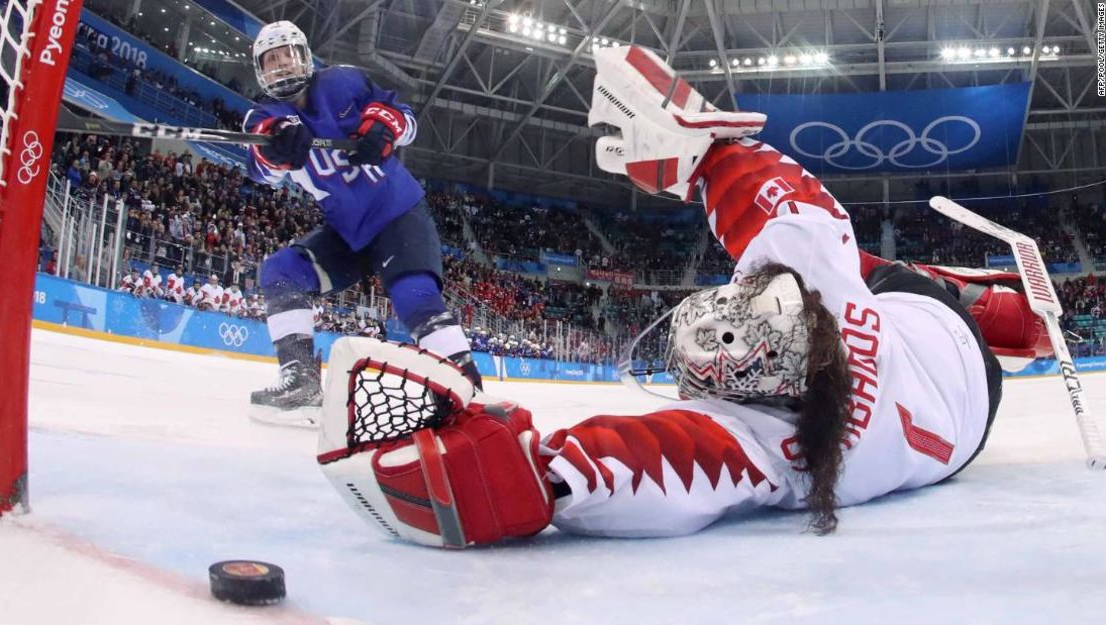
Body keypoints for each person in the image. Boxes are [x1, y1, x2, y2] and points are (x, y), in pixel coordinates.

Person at [313, 46, 1040, 548]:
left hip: (960, 415)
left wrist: (539, 475)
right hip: (928, 324)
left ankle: (996, 314)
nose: (738, 297)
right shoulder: (819, 289)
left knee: (871, 270)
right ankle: (997, 309)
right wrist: (704, 154)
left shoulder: (774, 453)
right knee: (886, 272)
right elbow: (786, 213)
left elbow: (658, 462)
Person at [243, 21, 478, 425]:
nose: (281, 66)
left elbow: (404, 118)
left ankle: (469, 395)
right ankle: (300, 380)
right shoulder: (264, 118)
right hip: (348, 234)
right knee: (281, 272)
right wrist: (276, 148)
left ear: (303, 58)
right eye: (271, 60)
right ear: (260, 71)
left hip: (398, 216)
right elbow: (261, 172)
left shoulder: (343, 82)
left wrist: (385, 126)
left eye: (286, 55)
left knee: (414, 298)